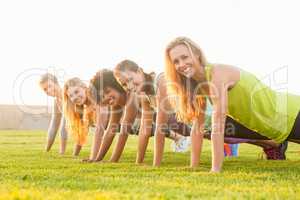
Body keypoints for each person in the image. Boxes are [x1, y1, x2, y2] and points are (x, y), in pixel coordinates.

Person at [113, 59, 288, 167]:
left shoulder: (161, 81)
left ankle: (275, 143)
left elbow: (159, 128)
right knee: (231, 136)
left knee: (241, 133)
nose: (129, 86)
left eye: (130, 79)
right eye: (124, 84)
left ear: (139, 71)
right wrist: (139, 162)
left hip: (215, 111)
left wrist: (156, 165)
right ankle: (273, 144)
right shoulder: (145, 94)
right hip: (200, 119)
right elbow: (145, 130)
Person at [164, 36, 300, 172]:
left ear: (197, 54)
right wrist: (193, 166)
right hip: (277, 129)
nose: (181, 64)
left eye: (185, 57)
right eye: (176, 61)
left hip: (291, 114)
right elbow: (197, 128)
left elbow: (218, 125)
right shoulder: (199, 86)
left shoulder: (217, 74)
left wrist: (215, 169)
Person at [88, 69, 190, 164]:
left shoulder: (132, 95)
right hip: (160, 117)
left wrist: (113, 160)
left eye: (107, 92)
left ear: (117, 85)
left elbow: (124, 132)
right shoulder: (116, 103)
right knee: (194, 131)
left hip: (173, 114)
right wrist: (97, 159)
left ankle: (186, 139)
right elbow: (110, 131)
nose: (106, 98)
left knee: (194, 130)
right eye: (102, 97)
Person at [63, 77, 110, 159]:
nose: (75, 97)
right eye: (71, 96)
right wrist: (74, 155)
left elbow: (100, 130)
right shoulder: (85, 110)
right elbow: (82, 134)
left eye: (76, 92)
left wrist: (93, 158)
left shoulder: (97, 98)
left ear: (84, 88)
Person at [39, 73, 68, 154]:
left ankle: (62, 152)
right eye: (45, 89)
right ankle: (48, 150)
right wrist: (47, 150)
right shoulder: (57, 101)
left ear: (56, 83)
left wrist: (62, 152)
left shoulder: (68, 95)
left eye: (49, 86)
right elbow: (54, 124)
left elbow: (64, 125)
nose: (48, 90)